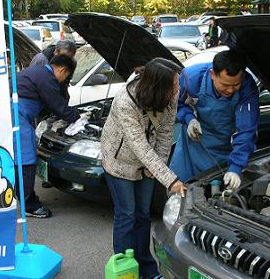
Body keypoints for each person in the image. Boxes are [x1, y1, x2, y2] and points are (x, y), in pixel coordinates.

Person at [101, 58, 187, 279]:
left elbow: (166, 133)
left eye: (177, 84)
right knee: (127, 215)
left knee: (143, 214)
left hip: (148, 163)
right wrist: (170, 179)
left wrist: (156, 166)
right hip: (119, 162)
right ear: (157, 86)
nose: (177, 89)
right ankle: (124, 270)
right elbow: (138, 144)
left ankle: (147, 269)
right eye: (174, 85)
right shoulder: (125, 101)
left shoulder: (170, 95)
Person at [170, 49, 259, 190]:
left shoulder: (247, 88)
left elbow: (247, 129)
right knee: (178, 190)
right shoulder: (191, 79)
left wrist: (236, 167)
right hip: (192, 145)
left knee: (215, 191)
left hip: (225, 149)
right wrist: (189, 119)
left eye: (236, 85)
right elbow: (175, 105)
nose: (230, 90)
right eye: (225, 85)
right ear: (212, 74)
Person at [14, 55, 85, 218]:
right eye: (66, 76)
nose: (63, 80)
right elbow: (56, 104)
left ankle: (22, 196)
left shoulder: (37, 72)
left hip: (16, 114)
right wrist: (76, 118)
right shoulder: (47, 78)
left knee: (19, 157)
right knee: (26, 157)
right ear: (62, 70)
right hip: (16, 115)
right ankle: (29, 205)